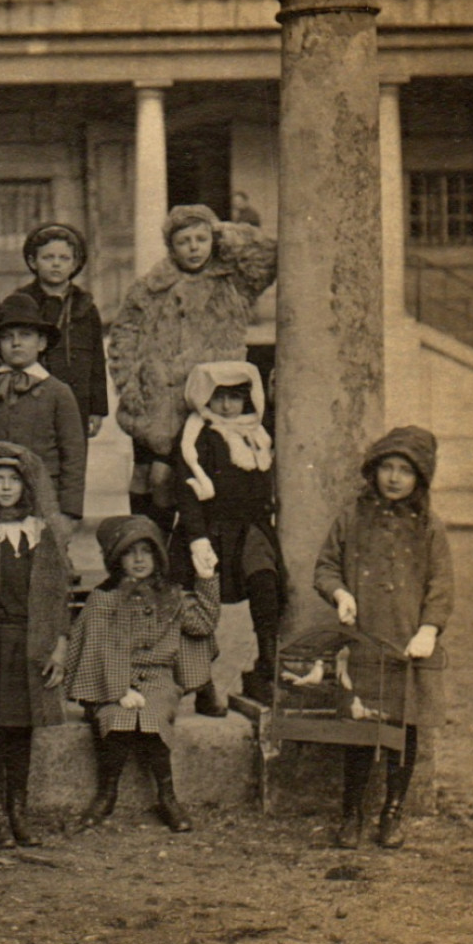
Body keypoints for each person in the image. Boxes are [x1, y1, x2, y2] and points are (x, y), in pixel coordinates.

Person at [314, 427, 453, 851]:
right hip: (364, 642)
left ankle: (393, 811)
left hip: (410, 648)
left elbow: (441, 585)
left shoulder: (429, 527)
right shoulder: (352, 518)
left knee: (404, 733)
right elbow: (326, 566)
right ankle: (351, 812)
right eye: (387, 468)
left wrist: (429, 629)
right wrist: (341, 594)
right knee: (360, 730)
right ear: (373, 472)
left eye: (405, 471)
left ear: (419, 478)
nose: (394, 478)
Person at [108, 204, 277, 532]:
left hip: (212, 402)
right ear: (171, 246)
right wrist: (131, 385)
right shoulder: (151, 287)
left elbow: (269, 256)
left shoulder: (233, 283)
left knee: (201, 479)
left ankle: (192, 558)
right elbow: (123, 336)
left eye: (202, 238)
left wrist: (224, 232)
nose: (194, 247)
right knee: (152, 477)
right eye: (185, 240)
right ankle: (148, 552)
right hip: (158, 401)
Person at [65, 516, 219, 833]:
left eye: (146, 552)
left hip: (157, 679)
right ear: (116, 559)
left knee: (152, 717)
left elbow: (202, 624)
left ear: (157, 557)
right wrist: (119, 689)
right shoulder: (104, 598)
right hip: (108, 681)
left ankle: (167, 796)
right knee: (115, 719)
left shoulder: (172, 596)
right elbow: (99, 647)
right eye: (129, 552)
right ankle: (106, 794)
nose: (138, 560)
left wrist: (206, 579)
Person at [0, 441, 72, 849]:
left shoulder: (43, 533)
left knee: (21, 732)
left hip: (31, 642)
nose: (5, 488)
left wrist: (59, 646)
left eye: (13, 480)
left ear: (26, 486)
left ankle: (18, 810)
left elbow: (59, 595)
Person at [171, 361, 281, 713]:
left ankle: (267, 668)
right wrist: (196, 538)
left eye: (236, 397)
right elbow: (187, 491)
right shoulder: (197, 436)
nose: (228, 406)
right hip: (212, 528)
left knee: (267, 586)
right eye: (220, 397)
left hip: (250, 531)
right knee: (199, 610)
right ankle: (201, 682)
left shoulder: (257, 434)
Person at [0, 292, 88, 532]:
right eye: (7, 337)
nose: (16, 343)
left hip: (43, 500)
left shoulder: (58, 392)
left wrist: (69, 512)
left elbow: (73, 455)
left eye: (25, 335)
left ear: (41, 343)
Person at [17, 224, 109, 438]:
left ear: (75, 263)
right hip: (30, 401)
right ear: (33, 262)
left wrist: (97, 409)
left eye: (64, 258)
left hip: (77, 402)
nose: (56, 263)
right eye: (48, 257)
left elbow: (97, 360)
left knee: (73, 462)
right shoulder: (21, 303)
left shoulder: (86, 307)